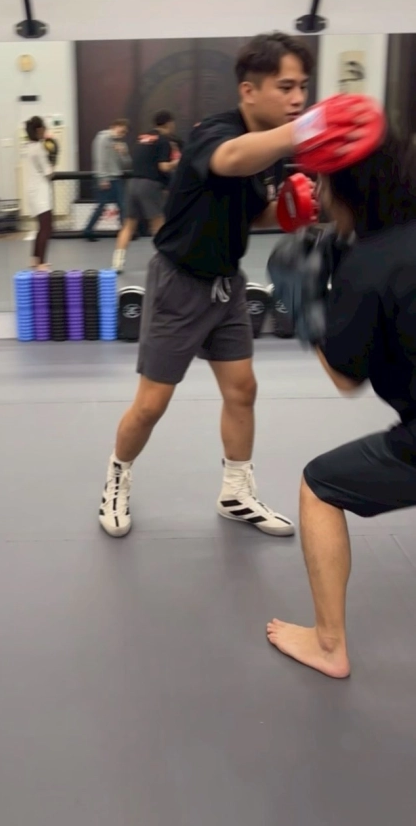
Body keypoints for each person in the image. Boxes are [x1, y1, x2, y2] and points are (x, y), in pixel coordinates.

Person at [99, 31, 316, 539]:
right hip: (179, 283)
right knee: (151, 404)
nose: (298, 98)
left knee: (242, 390)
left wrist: (291, 212)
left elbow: (252, 213)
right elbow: (231, 160)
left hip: (227, 283)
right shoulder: (215, 132)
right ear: (248, 91)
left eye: (303, 87)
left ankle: (235, 492)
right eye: (286, 87)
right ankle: (116, 478)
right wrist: (309, 129)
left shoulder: (272, 147)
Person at [266, 115, 416, 679]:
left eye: (324, 181)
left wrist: (307, 308)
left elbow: (346, 378)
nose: (319, 193)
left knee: (320, 486)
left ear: (343, 187)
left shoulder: (367, 265)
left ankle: (328, 645)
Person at [111, 110, 180, 274]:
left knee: (129, 225)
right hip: (149, 184)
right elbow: (163, 167)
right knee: (157, 224)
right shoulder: (163, 140)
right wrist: (178, 162)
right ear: (169, 123)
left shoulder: (142, 138)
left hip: (133, 183)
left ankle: (117, 263)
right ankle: (166, 261)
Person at [84, 119, 130, 241]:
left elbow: (127, 164)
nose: (123, 134)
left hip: (116, 177)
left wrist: (123, 153)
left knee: (122, 205)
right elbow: (99, 159)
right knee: (101, 206)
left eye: (125, 132)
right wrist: (102, 178)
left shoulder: (121, 144)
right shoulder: (102, 138)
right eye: (122, 130)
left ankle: (124, 231)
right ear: (115, 126)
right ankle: (88, 230)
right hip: (105, 178)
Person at [24, 116, 55, 270]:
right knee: (46, 227)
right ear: (39, 130)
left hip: (32, 191)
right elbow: (49, 173)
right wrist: (53, 160)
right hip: (41, 192)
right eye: (44, 128)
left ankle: (35, 259)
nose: (45, 130)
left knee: (41, 227)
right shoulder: (39, 148)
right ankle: (41, 263)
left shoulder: (28, 146)